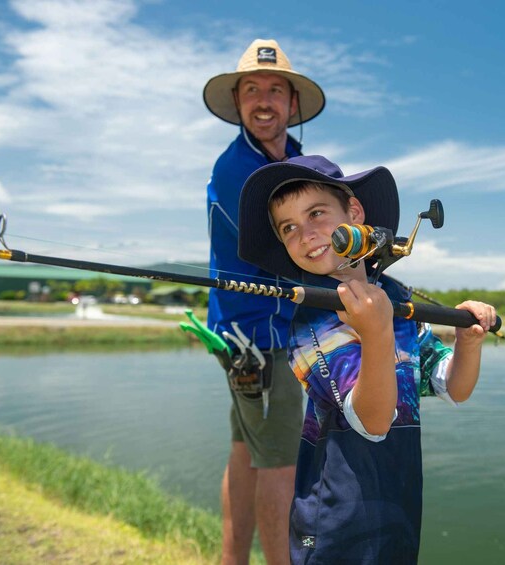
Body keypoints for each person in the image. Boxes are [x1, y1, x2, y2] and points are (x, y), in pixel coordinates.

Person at [238, 155, 497, 563]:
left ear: (354, 212)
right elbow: (373, 421)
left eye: (316, 213)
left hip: (398, 509)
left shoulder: (394, 299)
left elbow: (453, 387)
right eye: (289, 228)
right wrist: (376, 332)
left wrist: (468, 342)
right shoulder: (310, 321)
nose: (305, 234)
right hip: (333, 524)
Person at [202, 39, 325, 565]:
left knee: (247, 454)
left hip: (256, 336)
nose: (264, 100)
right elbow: (293, 252)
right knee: (281, 465)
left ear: (293, 103)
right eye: (252, 89)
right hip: (259, 341)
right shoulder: (236, 171)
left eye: (276, 89)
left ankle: (232, 560)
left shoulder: (301, 162)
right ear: (238, 101)